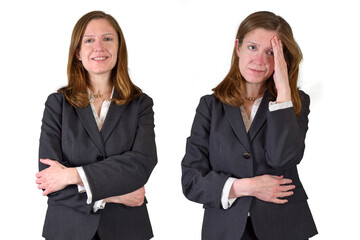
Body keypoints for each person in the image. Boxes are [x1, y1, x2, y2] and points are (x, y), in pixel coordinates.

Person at [181, 11, 317, 240]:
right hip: (225, 230)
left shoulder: (295, 102)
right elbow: (192, 181)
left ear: (284, 59)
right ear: (238, 47)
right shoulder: (210, 106)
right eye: (252, 47)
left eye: (271, 52)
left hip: (284, 228)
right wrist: (248, 187)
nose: (259, 60)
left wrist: (284, 92)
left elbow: (282, 158)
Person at [35, 11, 157, 240]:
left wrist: (72, 175)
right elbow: (48, 180)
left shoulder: (140, 103)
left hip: (127, 230)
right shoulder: (57, 104)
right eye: (89, 40)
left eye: (107, 38)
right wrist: (114, 196)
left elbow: (141, 164)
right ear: (78, 52)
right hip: (67, 230)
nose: (99, 47)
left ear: (119, 48)